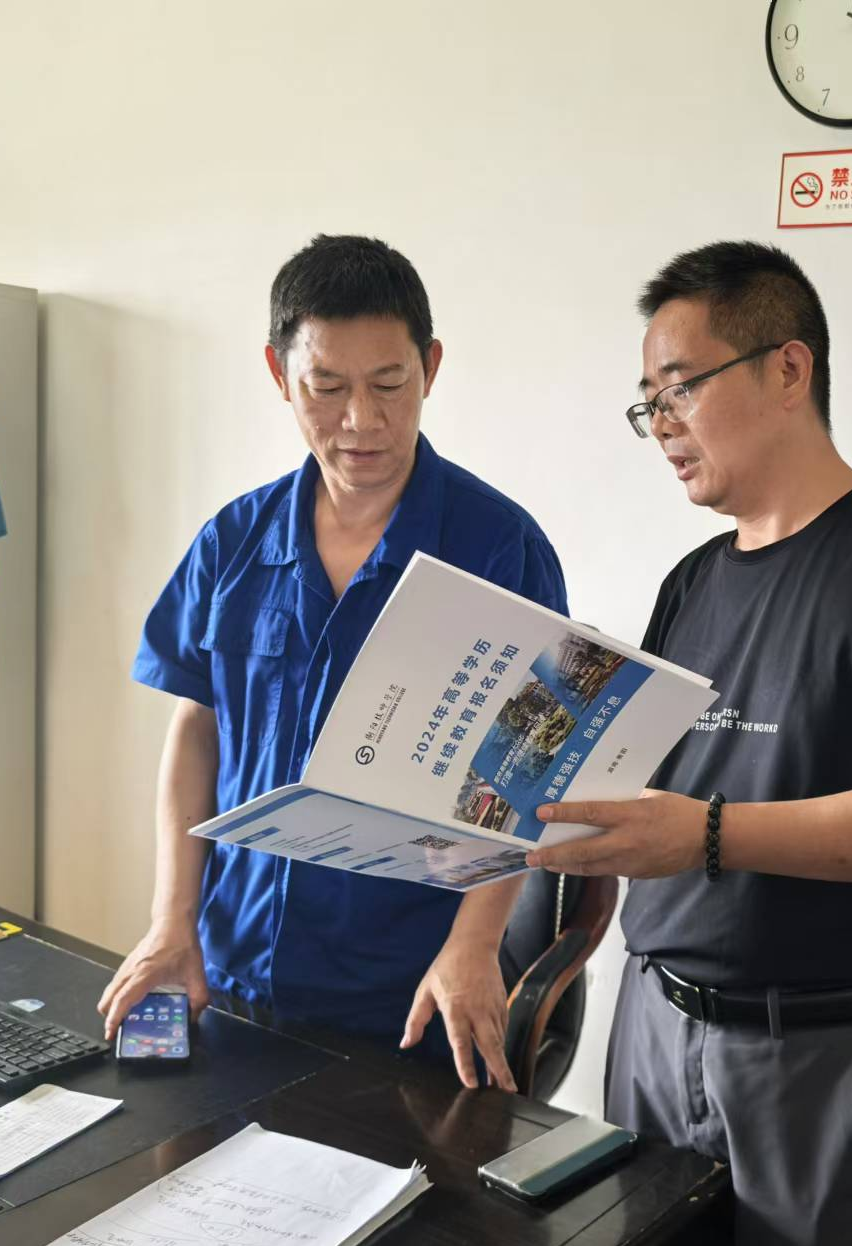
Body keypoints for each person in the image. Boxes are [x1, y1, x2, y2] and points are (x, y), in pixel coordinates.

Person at [528, 241, 852, 1246]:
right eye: (647, 405)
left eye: (680, 389)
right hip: (654, 1026)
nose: (662, 426)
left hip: (829, 1051)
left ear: (788, 368)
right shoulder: (691, 582)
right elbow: (651, 792)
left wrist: (708, 834)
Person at [97, 235, 567, 1090]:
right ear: (280, 375)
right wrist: (172, 920)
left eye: (389, 384)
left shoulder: (499, 548)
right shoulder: (233, 542)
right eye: (327, 387)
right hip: (234, 972)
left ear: (430, 367)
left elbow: (528, 768)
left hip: (410, 996)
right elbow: (198, 728)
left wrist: (474, 945)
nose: (361, 421)